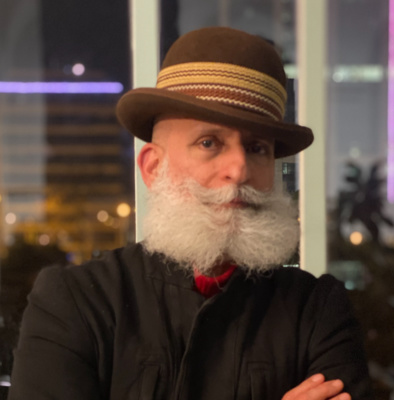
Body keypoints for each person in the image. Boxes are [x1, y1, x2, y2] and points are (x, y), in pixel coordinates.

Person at [8, 27, 373, 400]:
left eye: (257, 148)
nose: (239, 169)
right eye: (209, 142)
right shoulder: (75, 302)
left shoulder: (316, 309)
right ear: (153, 168)